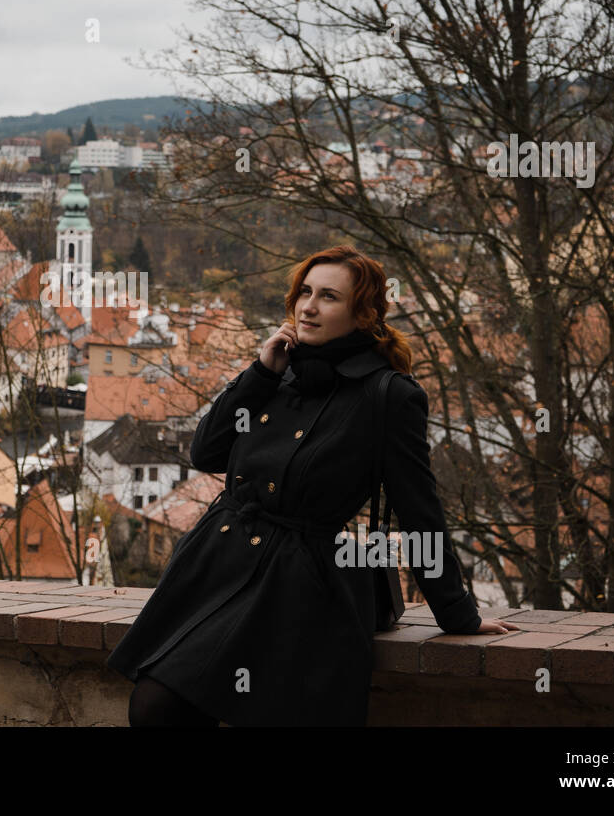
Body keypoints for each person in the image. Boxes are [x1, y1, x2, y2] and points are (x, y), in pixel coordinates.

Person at [107, 245, 519, 726]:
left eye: (328, 297)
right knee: (155, 705)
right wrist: (260, 373)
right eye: (305, 292)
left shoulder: (388, 396)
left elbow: (418, 508)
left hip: (298, 581)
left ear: (362, 313)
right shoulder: (278, 375)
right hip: (216, 563)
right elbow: (206, 453)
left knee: (179, 707)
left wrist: (457, 614)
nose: (308, 306)